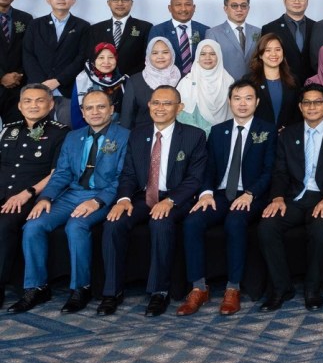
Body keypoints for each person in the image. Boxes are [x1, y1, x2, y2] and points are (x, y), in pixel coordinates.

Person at [8, 89, 129, 314]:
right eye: (89, 108)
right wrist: (45, 198)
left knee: (76, 226)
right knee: (33, 225)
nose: (95, 112)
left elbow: (123, 178)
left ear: (112, 110)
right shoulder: (73, 137)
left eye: (101, 107)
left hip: (102, 195)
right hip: (71, 194)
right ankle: (37, 286)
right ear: (82, 112)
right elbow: (61, 173)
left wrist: (98, 201)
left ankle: (80, 288)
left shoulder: (124, 136)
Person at [99, 86, 208, 317]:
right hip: (142, 196)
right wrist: (123, 199)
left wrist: (170, 200)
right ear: (148, 105)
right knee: (113, 223)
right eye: (156, 103)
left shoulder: (194, 135)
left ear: (180, 108)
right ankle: (112, 292)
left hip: (176, 198)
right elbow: (128, 173)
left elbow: (194, 179)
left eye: (167, 104)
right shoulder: (137, 134)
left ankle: (159, 291)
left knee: (160, 222)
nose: (160, 108)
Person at [174, 80, 275, 316]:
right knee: (192, 222)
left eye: (248, 98)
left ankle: (233, 289)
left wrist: (251, 194)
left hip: (250, 194)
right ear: (229, 102)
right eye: (237, 98)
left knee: (235, 222)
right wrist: (206, 193)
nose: (242, 103)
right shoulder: (219, 130)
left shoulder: (267, 130)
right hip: (219, 194)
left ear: (257, 102)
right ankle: (198, 287)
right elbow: (208, 168)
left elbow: (270, 170)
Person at [258, 82, 323, 311]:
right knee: (267, 226)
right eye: (307, 103)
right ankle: (282, 288)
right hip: (294, 198)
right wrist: (278, 197)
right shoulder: (288, 135)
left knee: (321, 228)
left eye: (317, 102)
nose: (312, 107)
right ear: (300, 107)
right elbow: (280, 172)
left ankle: (312, 288)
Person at [0, 85, 69, 309]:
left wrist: (27, 193)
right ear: (20, 106)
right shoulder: (8, 130)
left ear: (50, 105)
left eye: (40, 101)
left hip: (29, 195)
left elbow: (57, 173)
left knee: (5, 224)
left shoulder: (61, 133)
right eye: (28, 101)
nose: (33, 105)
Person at [22, 0, 90, 125]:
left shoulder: (82, 26)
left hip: (67, 90)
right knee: (36, 133)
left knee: (67, 131)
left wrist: (58, 80)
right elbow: (28, 55)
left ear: (74, 0)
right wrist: (41, 84)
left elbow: (81, 58)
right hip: (37, 90)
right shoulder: (35, 24)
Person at [83, 0, 149, 77]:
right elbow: (90, 57)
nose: (120, 3)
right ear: (108, 3)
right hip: (102, 82)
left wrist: (128, 77)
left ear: (131, 3)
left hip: (133, 81)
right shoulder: (95, 29)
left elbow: (148, 58)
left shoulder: (145, 27)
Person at [120, 37, 181, 130]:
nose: (160, 57)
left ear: (172, 54)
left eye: (165, 52)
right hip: (141, 136)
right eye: (155, 53)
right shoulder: (135, 81)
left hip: (177, 136)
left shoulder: (183, 79)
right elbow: (126, 117)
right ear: (148, 55)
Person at [261, 0, 316, 85]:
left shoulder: (317, 27)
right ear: (284, 0)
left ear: (307, 1)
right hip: (282, 83)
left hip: (312, 84)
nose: (297, 1)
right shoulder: (270, 28)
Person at [176, 39, 233, 136]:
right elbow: (179, 113)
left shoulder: (229, 81)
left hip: (223, 135)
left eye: (212, 54)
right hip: (193, 137)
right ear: (197, 56)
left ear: (219, 56)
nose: (207, 57)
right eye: (203, 54)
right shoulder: (187, 81)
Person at [147, 0, 209, 78]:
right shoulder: (158, 30)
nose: (183, 9)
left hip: (198, 81)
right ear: (170, 8)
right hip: (167, 81)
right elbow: (152, 60)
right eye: (178, 4)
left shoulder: (205, 30)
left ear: (194, 7)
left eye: (187, 4)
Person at [249, 33, 299, 131]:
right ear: (260, 55)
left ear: (283, 53)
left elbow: (298, 112)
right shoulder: (250, 81)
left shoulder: (294, 80)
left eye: (278, 49)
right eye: (268, 50)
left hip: (287, 138)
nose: (274, 54)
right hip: (258, 137)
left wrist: (289, 129)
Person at [205, 0, 260, 80]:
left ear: (248, 8)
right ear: (225, 9)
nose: (239, 9)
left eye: (243, 6)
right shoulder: (213, 33)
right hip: (225, 85)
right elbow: (209, 63)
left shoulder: (258, 32)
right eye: (234, 6)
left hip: (254, 85)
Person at [70, 43, 127, 129]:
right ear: (93, 60)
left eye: (111, 57)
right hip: (88, 131)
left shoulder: (123, 80)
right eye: (101, 57)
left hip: (118, 131)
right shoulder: (82, 80)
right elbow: (76, 112)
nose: (106, 62)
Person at [0, 0, 32, 125]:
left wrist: (18, 75)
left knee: (15, 134)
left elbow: (29, 51)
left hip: (17, 87)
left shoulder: (26, 19)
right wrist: (2, 77)